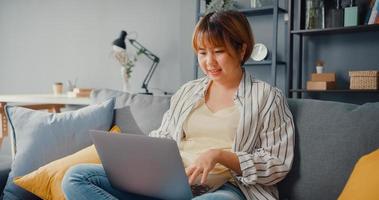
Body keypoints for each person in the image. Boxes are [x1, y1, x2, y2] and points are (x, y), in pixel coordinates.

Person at [62, 10, 294, 200]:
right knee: (76, 176)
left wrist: (219, 155)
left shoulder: (267, 97)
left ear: (241, 49)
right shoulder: (188, 92)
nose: (209, 62)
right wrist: (137, 156)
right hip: (168, 182)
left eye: (219, 51)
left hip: (226, 189)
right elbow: (163, 137)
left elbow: (277, 165)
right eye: (202, 53)